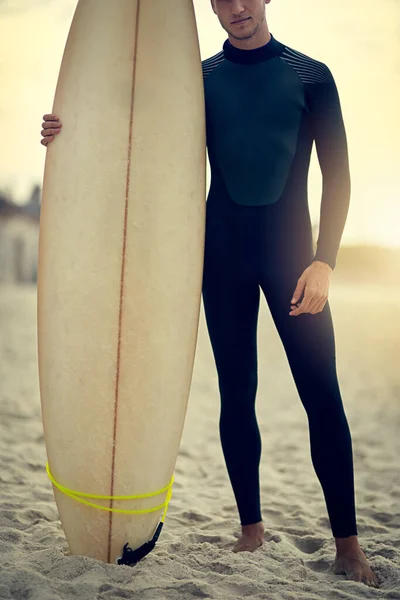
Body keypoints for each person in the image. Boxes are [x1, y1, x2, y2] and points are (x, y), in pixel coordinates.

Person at [40, 0, 379, 588]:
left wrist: (325, 260)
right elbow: (133, 138)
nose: (237, 8)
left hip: (293, 259)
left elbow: (339, 174)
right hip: (220, 257)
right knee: (236, 392)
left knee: (321, 394)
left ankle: (348, 545)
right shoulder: (195, 81)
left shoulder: (310, 75)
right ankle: (252, 530)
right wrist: (66, 128)